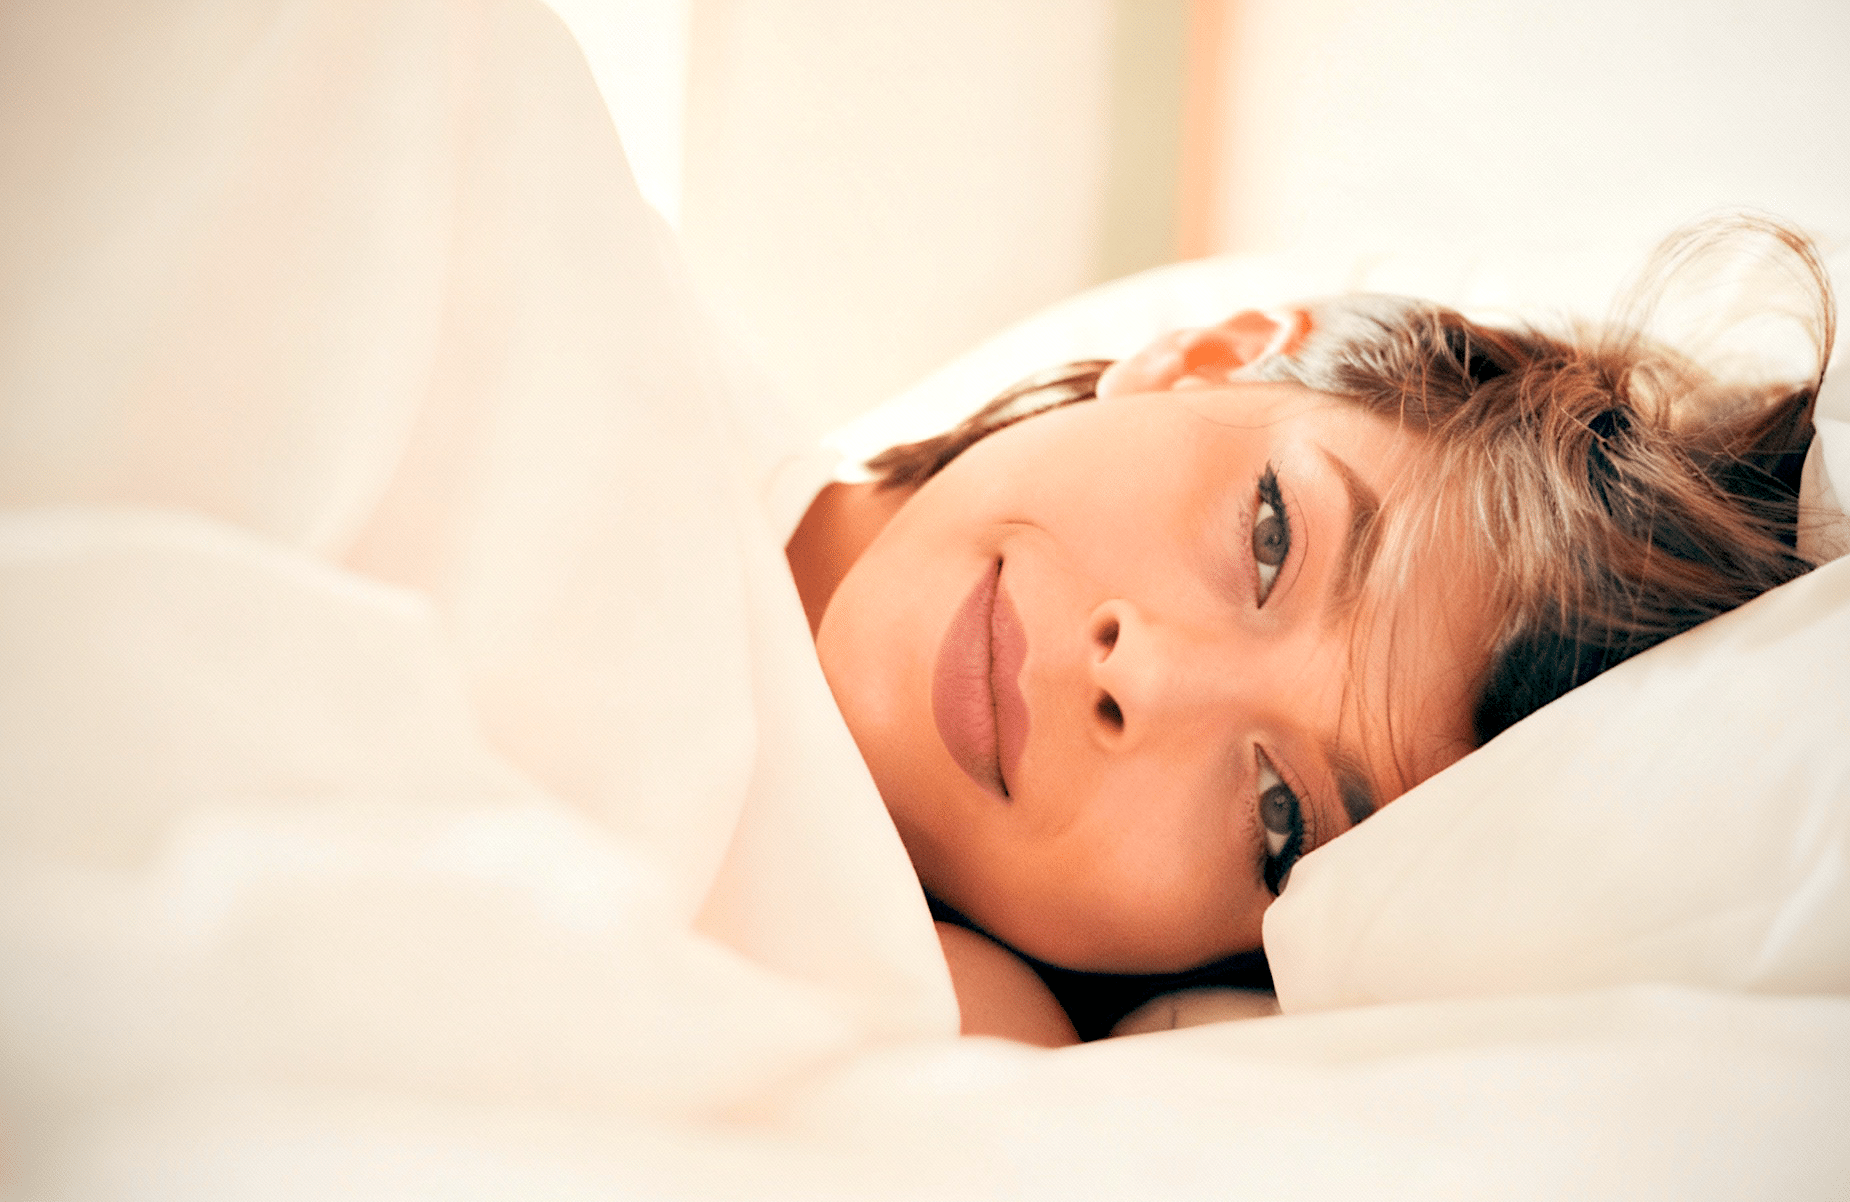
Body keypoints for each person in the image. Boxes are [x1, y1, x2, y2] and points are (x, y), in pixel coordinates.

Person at [785, 218, 1835, 1044]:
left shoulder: (924, 1037)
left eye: (1280, 818)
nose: (1142, 675)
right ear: (1209, 355)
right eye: (1270, 537)